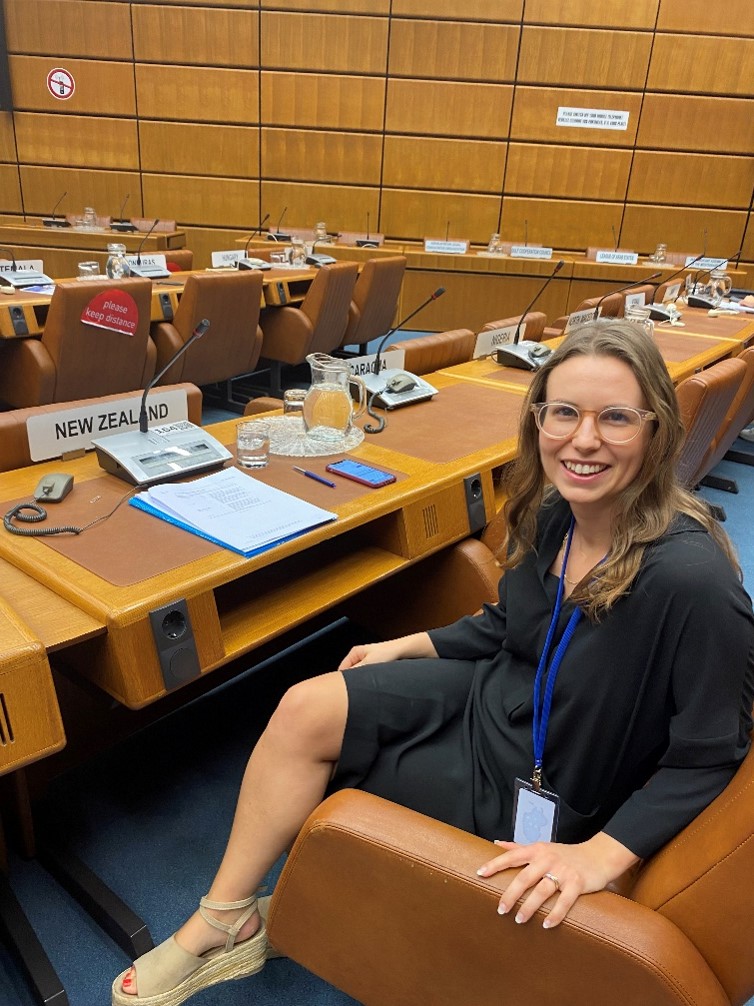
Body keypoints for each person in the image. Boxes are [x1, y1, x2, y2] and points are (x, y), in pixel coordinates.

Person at [113, 320, 754, 1006]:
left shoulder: (693, 581)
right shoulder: (555, 513)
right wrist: (408, 644)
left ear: (657, 431)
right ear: (539, 418)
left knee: (342, 795)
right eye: (564, 412)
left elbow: (709, 754)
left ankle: (274, 907)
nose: (584, 439)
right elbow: (511, 627)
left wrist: (603, 854)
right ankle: (224, 918)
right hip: (495, 698)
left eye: (616, 418)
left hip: (552, 779)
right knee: (309, 702)